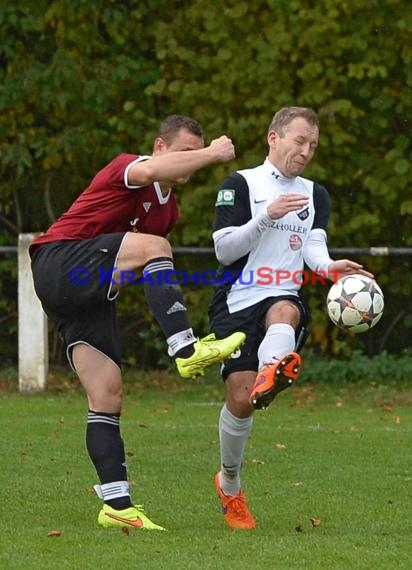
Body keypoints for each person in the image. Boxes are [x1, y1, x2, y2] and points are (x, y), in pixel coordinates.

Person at [29, 114, 246, 531]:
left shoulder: (168, 214)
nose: (191, 161)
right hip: (59, 261)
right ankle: (185, 349)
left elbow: (138, 266)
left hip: (90, 290)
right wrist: (212, 153)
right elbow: (148, 183)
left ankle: (116, 506)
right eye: (184, 152)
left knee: (107, 392)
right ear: (160, 148)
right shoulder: (131, 167)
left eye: (196, 152)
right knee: (156, 246)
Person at [208, 106, 374, 530]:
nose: (306, 151)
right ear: (273, 138)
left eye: (313, 145)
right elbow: (225, 250)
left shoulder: (316, 195)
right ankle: (230, 484)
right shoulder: (240, 184)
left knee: (286, 307)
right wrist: (267, 215)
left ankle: (272, 370)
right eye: (300, 141)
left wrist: (329, 266)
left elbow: (312, 247)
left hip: (281, 295)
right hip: (236, 299)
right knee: (241, 402)